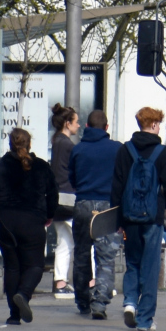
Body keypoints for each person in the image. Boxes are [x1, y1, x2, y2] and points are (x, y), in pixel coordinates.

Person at [0, 127, 57, 324]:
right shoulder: (41, 166)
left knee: (12, 268)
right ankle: (23, 293)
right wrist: (49, 215)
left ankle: (14, 315)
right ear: (29, 144)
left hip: (5, 223)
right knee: (36, 266)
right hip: (32, 221)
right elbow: (53, 194)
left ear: (10, 144)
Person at [111, 107, 166, 331]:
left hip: (129, 217)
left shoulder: (125, 151)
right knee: (150, 268)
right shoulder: (162, 152)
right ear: (156, 125)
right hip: (152, 218)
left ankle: (130, 302)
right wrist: (159, 206)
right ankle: (145, 319)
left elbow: (117, 185)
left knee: (132, 262)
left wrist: (118, 217)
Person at [68, 109, 121, 319]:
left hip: (82, 203)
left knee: (81, 254)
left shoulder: (78, 149)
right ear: (106, 127)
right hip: (107, 206)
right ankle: (99, 303)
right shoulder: (117, 149)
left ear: (87, 127)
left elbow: (71, 177)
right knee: (106, 257)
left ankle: (82, 300)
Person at [49, 104, 80, 299]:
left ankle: (61, 282)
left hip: (57, 199)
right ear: (67, 124)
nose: (78, 125)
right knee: (85, 239)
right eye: (76, 122)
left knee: (64, 241)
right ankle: (91, 282)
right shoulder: (68, 145)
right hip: (69, 198)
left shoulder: (56, 142)